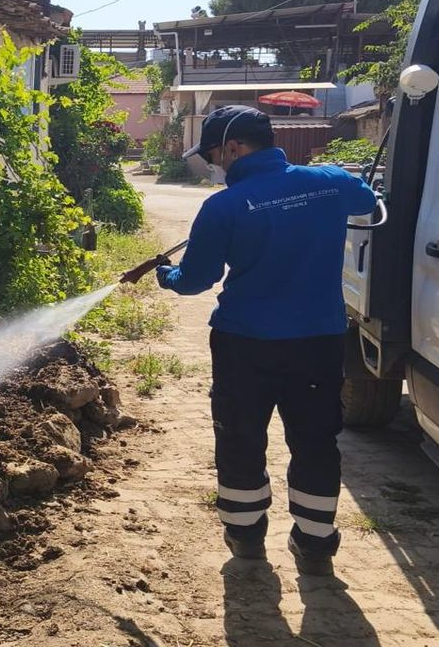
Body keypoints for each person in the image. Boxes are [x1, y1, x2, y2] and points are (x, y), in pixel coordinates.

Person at [132, 105, 378, 575]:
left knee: (241, 437)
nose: (216, 166)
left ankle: (245, 537)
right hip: (318, 342)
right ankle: (316, 544)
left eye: (214, 156)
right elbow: (366, 199)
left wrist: (167, 275)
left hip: (246, 345)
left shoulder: (222, 207)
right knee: (315, 440)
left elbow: (196, 280)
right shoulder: (329, 181)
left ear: (233, 147)